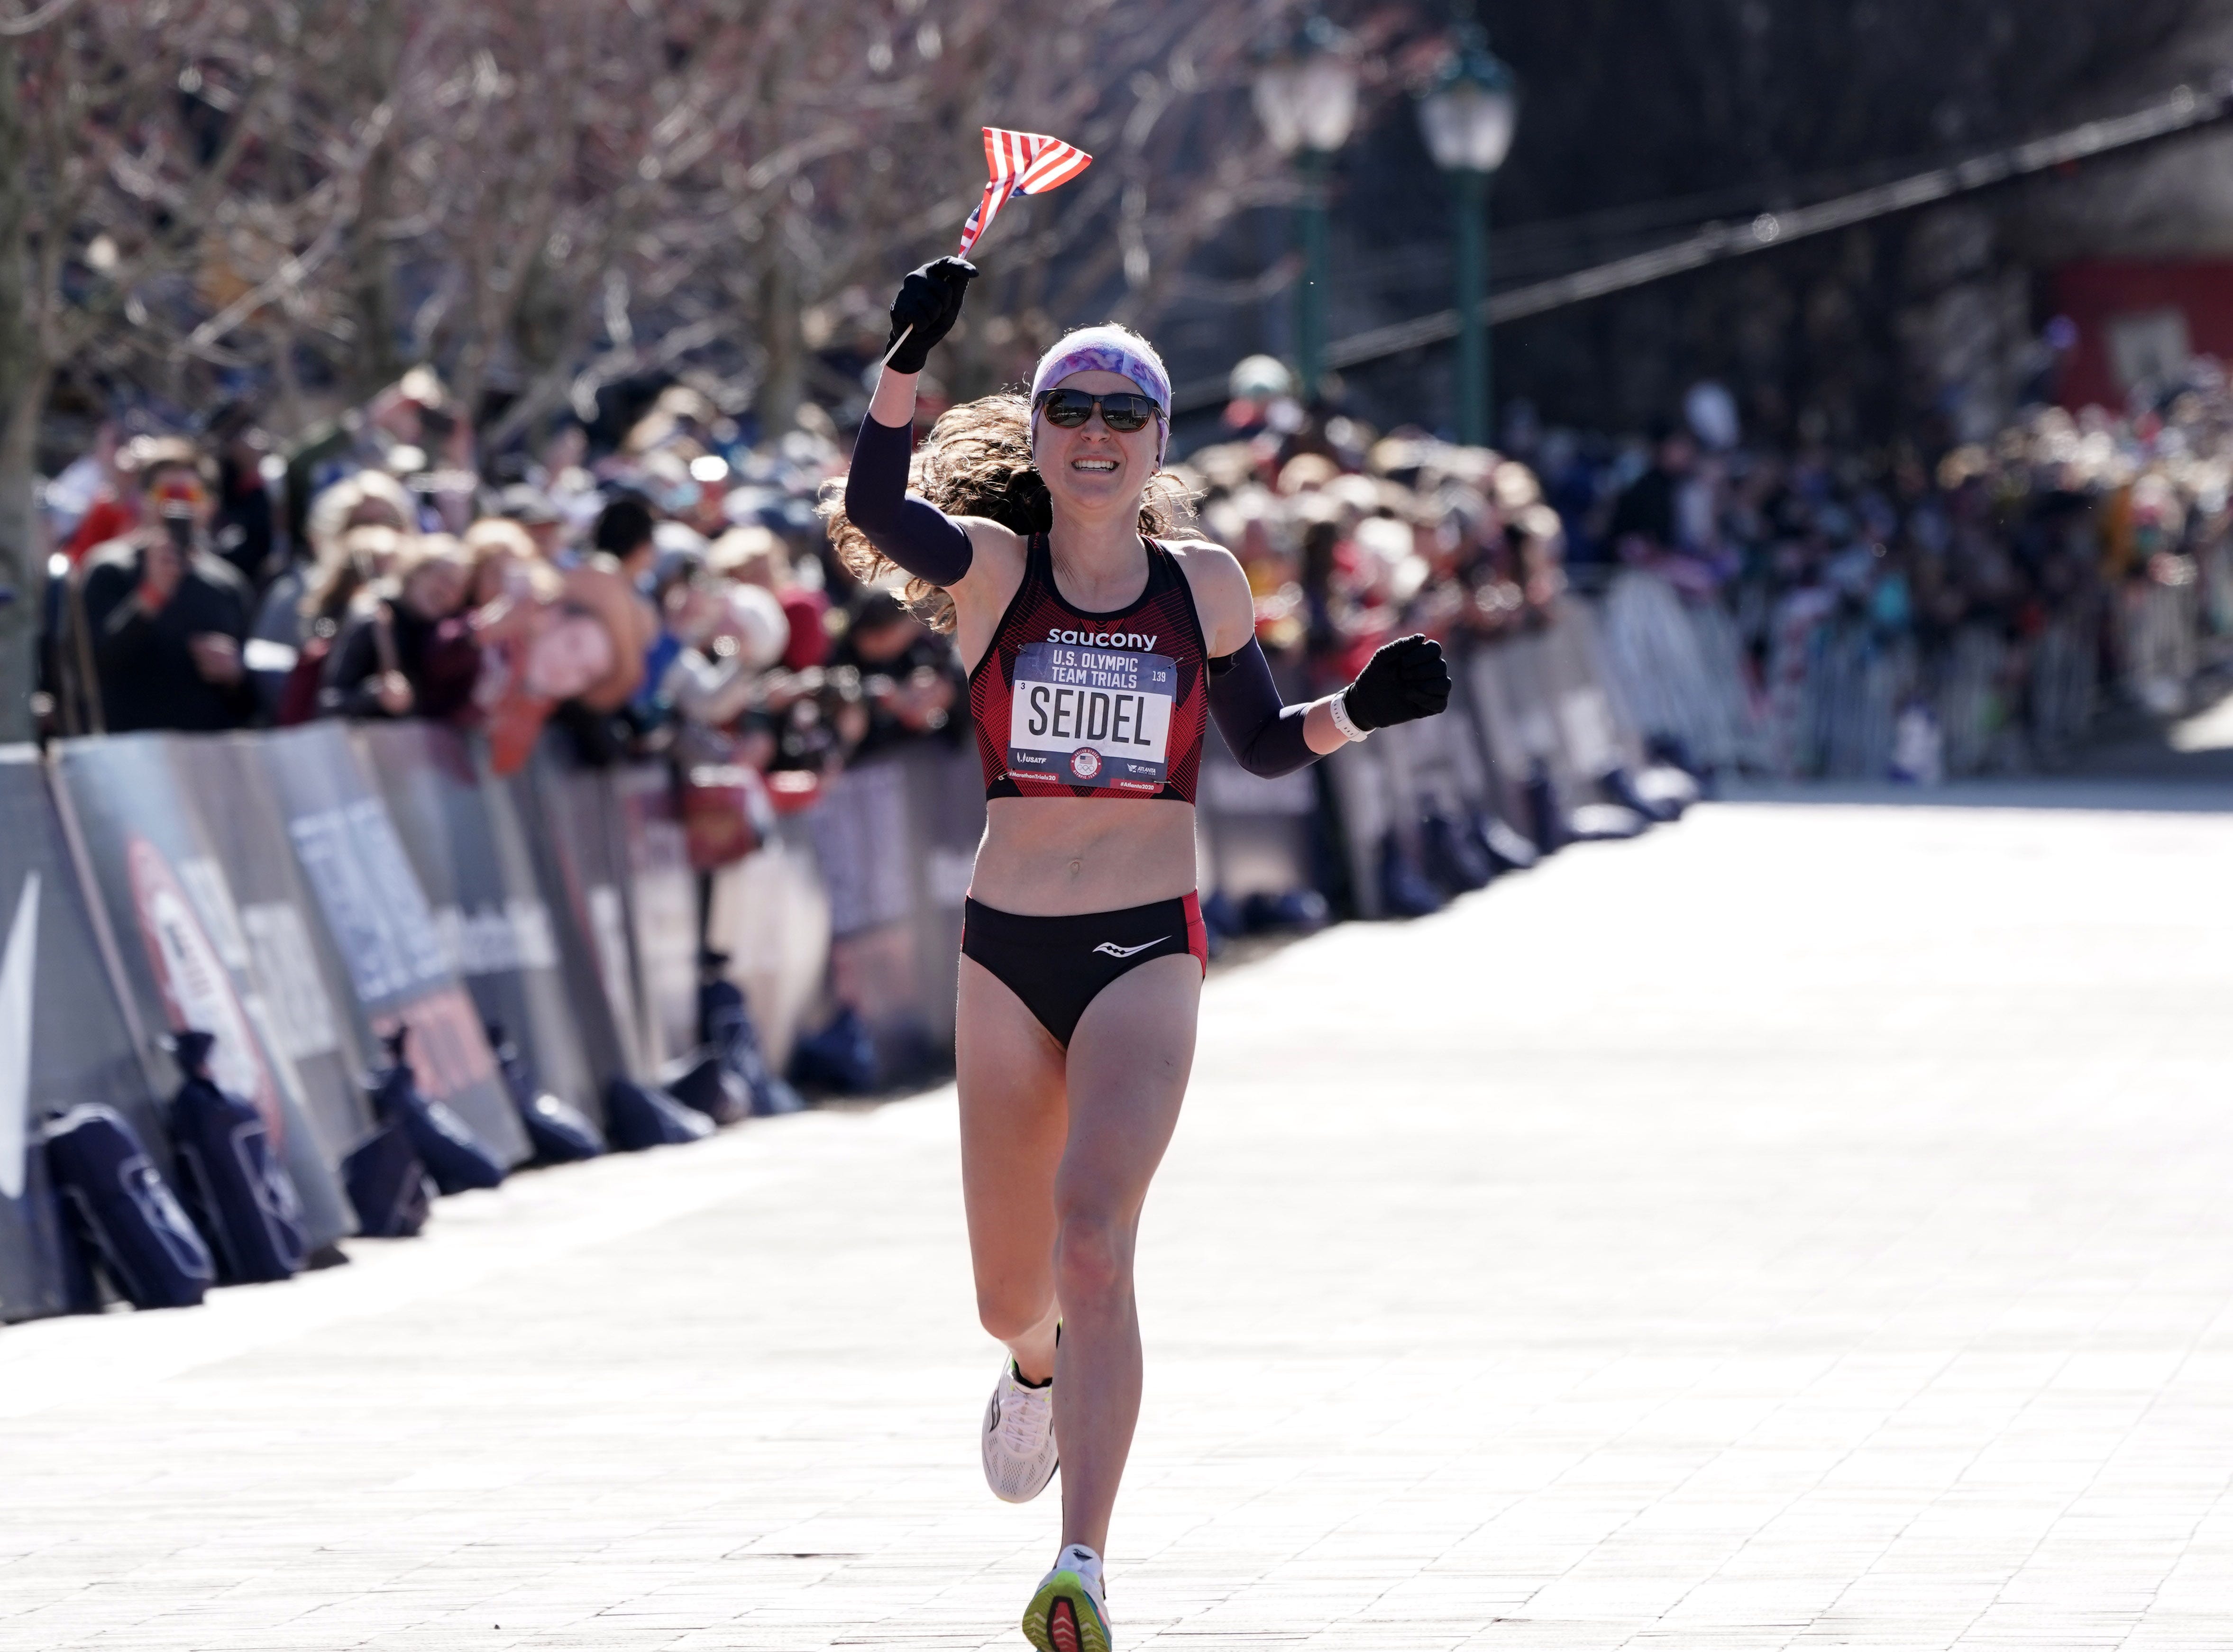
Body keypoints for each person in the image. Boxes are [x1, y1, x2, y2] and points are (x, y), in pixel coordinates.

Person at [825, 258, 1452, 1652]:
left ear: (1160, 443)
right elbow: (872, 510)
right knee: (1014, 1291)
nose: (1096, 434)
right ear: (1041, 442)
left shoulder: (1205, 586)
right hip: (1004, 958)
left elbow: (1267, 746)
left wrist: (1363, 707)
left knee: (1095, 1242)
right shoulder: (990, 571)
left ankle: (1083, 1565)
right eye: (1071, 412)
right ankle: (1032, 1371)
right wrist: (906, 358)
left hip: (1145, 952)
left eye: (1124, 412)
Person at [73, 438, 258, 733]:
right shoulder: (109, 570)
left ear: (210, 505)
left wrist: (235, 673)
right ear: (144, 500)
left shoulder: (229, 585)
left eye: (189, 494)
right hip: (131, 752)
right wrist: (152, 595)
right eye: (166, 494)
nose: (177, 505)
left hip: (209, 754)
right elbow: (90, 668)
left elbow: (252, 701)